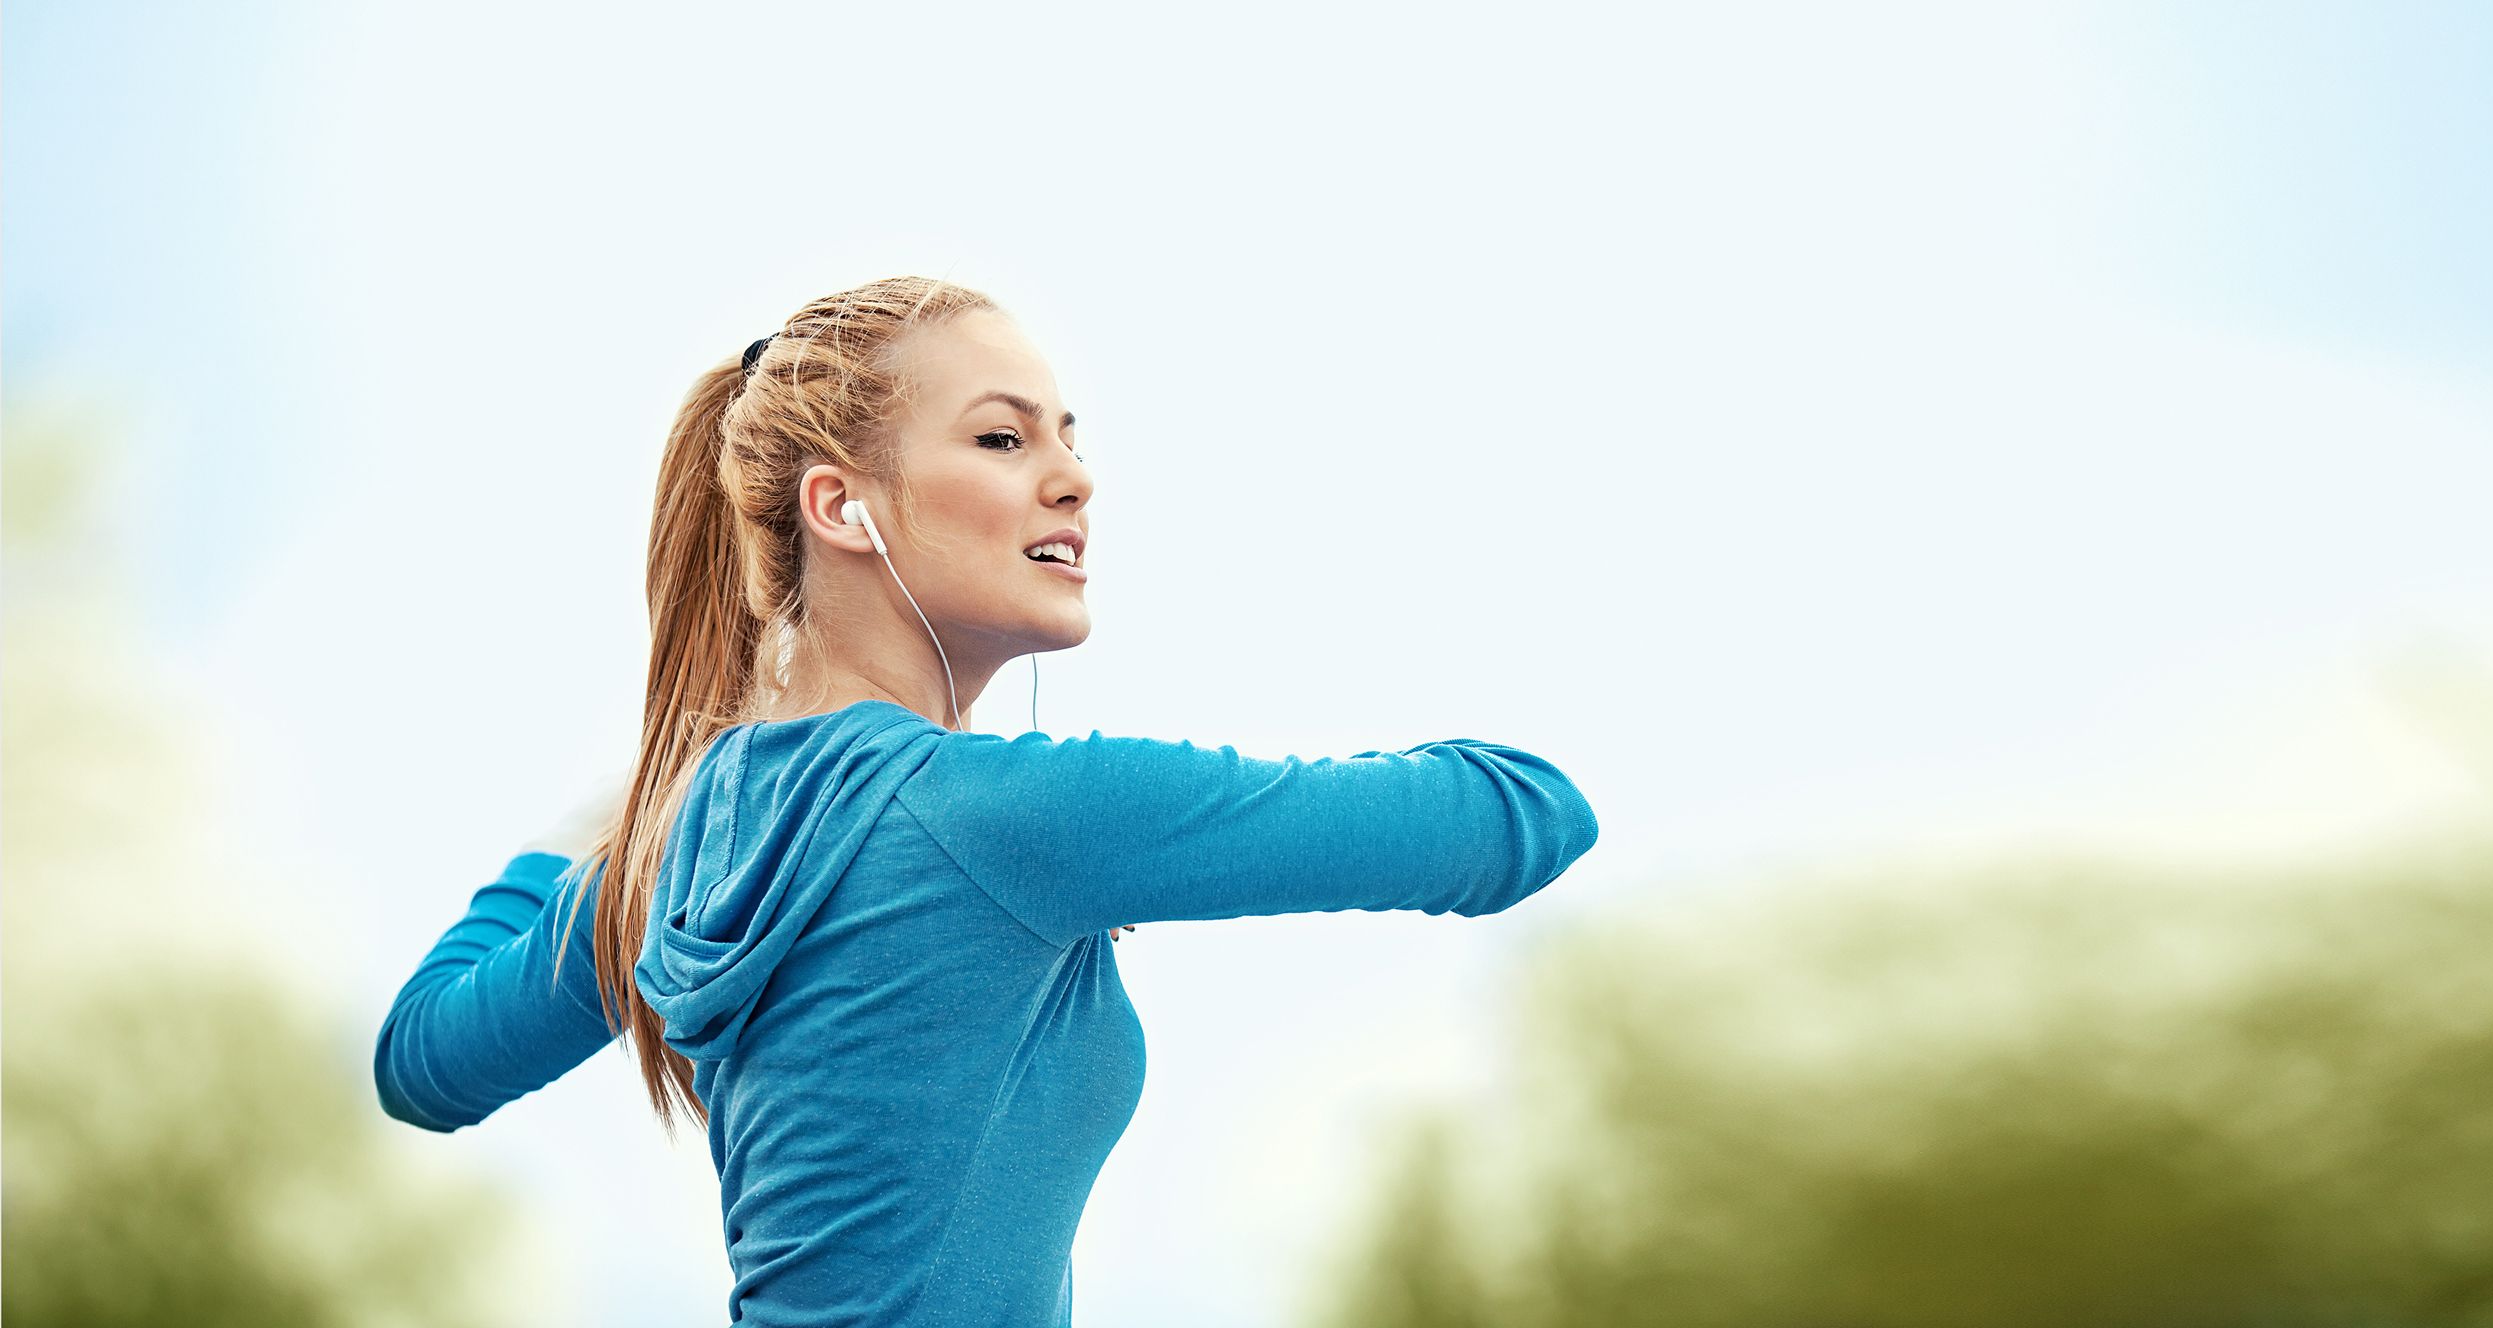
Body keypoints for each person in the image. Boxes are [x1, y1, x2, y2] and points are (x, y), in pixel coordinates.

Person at [372, 275, 1600, 1326]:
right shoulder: (1014, 813)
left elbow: (424, 1062)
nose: (1075, 479)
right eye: (1004, 440)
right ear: (841, 505)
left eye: (1068, 435)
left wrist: (619, 816)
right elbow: (1518, 818)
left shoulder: (685, 844)